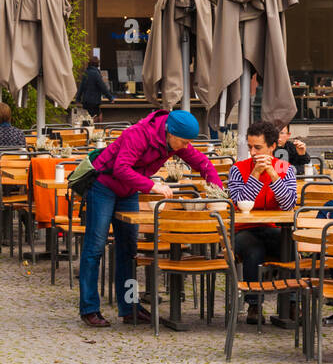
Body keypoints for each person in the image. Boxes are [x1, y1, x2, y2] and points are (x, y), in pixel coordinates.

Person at [78, 108, 221, 329]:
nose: (186, 147)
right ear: (170, 133)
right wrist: (152, 185)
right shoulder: (138, 134)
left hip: (128, 191)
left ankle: (129, 307)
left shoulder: (175, 139)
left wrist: (217, 193)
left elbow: (202, 162)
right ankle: (89, 308)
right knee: (95, 247)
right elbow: (121, 168)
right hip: (104, 186)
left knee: (128, 250)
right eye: (183, 142)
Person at [226, 119, 297, 324]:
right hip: (243, 230)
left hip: (273, 228)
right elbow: (241, 204)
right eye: (250, 147)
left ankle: (291, 302)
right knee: (253, 248)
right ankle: (254, 305)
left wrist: (273, 175)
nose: (253, 153)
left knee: (290, 245)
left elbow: (287, 205)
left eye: (258, 147)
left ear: (273, 146)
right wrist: (256, 175)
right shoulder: (238, 169)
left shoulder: (286, 169)